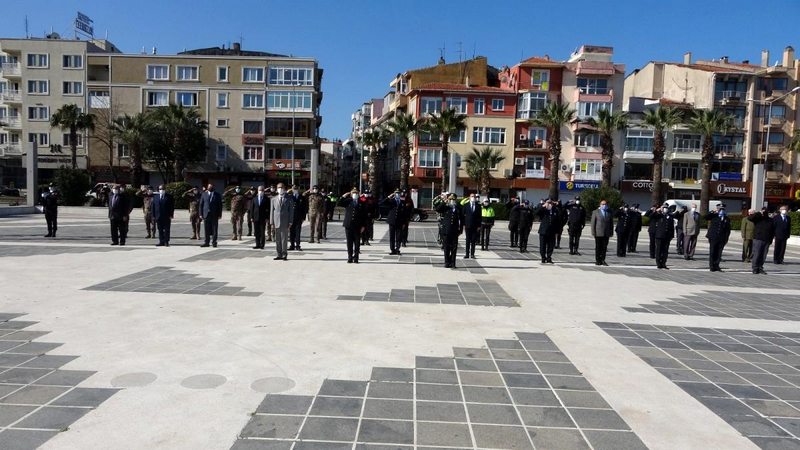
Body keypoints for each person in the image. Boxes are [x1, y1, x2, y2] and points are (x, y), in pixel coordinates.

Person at [434, 193, 463, 268]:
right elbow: (437, 209)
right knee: (446, 247)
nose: (452, 200)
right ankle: (447, 262)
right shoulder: (446, 207)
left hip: (455, 230)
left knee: (454, 247)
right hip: (446, 230)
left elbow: (462, 219)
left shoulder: (458, 207)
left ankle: (453, 263)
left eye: (453, 199)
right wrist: (444, 202)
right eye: (450, 199)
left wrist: (461, 230)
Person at [338, 189, 368, 263]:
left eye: (356, 193)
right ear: (351, 194)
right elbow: (339, 203)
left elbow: (364, 215)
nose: (355, 194)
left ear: (358, 194)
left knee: (357, 243)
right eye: (353, 193)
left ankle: (356, 257)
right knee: (349, 242)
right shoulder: (348, 201)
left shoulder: (362, 202)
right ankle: (350, 257)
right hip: (348, 225)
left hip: (358, 226)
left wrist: (364, 226)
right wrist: (343, 196)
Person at [646, 203, 674, 269]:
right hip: (659, 235)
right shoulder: (659, 215)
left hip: (667, 236)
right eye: (664, 208)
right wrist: (657, 211)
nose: (665, 209)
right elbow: (650, 216)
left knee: (665, 250)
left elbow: (671, 227)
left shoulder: (669, 216)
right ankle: (658, 263)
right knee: (658, 250)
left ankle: (664, 263)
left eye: (666, 208)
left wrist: (672, 235)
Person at [705, 203, 731, 272]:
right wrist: (712, 212)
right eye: (720, 209)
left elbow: (728, 229)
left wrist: (726, 238)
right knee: (712, 251)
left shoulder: (726, 218)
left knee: (719, 253)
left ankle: (717, 265)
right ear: (717, 209)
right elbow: (706, 217)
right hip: (713, 237)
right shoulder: (714, 216)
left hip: (721, 238)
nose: (721, 210)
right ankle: (711, 266)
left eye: (722, 209)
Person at [270, 183, 294, 260]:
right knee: (277, 240)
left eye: (281, 187)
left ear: (284, 188)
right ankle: (279, 254)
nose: (280, 189)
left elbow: (291, 211)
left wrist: (290, 222)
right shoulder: (273, 199)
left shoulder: (289, 199)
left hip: (285, 222)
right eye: (278, 187)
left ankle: (284, 254)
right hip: (276, 222)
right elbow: (272, 211)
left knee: (284, 239)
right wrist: (271, 222)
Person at [382, 189, 409, 255]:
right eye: (396, 193)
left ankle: (397, 249)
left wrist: (405, 223)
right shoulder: (392, 201)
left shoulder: (403, 202)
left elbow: (405, 213)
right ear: (394, 194)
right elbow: (382, 202)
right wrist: (389, 197)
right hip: (392, 221)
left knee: (399, 236)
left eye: (399, 193)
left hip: (400, 221)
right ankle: (392, 249)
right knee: (392, 236)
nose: (397, 194)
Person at [748, 208, 774, 274]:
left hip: (767, 240)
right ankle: (755, 268)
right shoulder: (758, 219)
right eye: (763, 211)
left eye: (766, 211)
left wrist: (770, 240)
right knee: (757, 254)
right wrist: (759, 213)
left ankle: (760, 267)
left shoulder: (770, 220)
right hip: (758, 239)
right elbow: (750, 218)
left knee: (763, 255)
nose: (765, 212)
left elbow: (772, 231)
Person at [590, 200, 614, 266]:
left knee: (604, 247)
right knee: (598, 247)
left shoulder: (609, 212)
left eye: (605, 204)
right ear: (600, 205)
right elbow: (593, 223)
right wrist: (593, 232)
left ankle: (603, 260)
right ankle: (598, 260)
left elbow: (611, 223)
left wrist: (611, 232)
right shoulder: (595, 212)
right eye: (603, 204)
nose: (604, 205)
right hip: (598, 233)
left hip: (606, 233)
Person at [199, 183, 223, 248]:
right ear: (207, 187)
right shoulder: (204, 194)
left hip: (214, 214)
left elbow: (220, 205)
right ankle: (206, 242)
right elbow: (201, 205)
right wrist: (200, 214)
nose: (210, 187)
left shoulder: (217, 195)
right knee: (206, 229)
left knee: (215, 229)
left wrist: (220, 214)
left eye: (211, 186)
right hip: (206, 214)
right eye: (209, 186)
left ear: (213, 187)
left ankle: (214, 242)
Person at [461, 193, 482, 259]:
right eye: (472, 196)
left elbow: (479, 217)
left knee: (473, 240)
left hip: (475, 226)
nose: (473, 197)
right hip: (467, 225)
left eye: (474, 196)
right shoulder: (466, 205)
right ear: (469, 197)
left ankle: (472, 254)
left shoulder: (478, 206)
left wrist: (479, 226)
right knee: (467, 240)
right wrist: (463, 224)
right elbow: (462, 215)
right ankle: (467, 254)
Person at [250, 185, 269, 249]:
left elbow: (268, 209)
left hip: (263, 218)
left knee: (262, 232)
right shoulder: (254, 199)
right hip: (255, 217)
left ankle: (262, 245)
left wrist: (267, 218)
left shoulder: (266, 199)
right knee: (256, 232)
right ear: (257, 191)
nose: (260, 191)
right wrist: (251, 217)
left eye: (262, 190)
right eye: (259, 190)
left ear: (264, 191)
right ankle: (257, 244)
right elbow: (252, 208)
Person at [288, 184, 307, 251]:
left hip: (299, 217)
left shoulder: (302, 197)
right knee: (291, 232)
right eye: (294, 188)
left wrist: (304, 217)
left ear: (298, 189)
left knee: (298, 232)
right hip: (291, 217)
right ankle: (292, 245)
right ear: (292, 189)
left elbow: (305, 208)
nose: (295, 190)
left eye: (296, 188)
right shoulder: (289, 197)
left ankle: (298, 245)